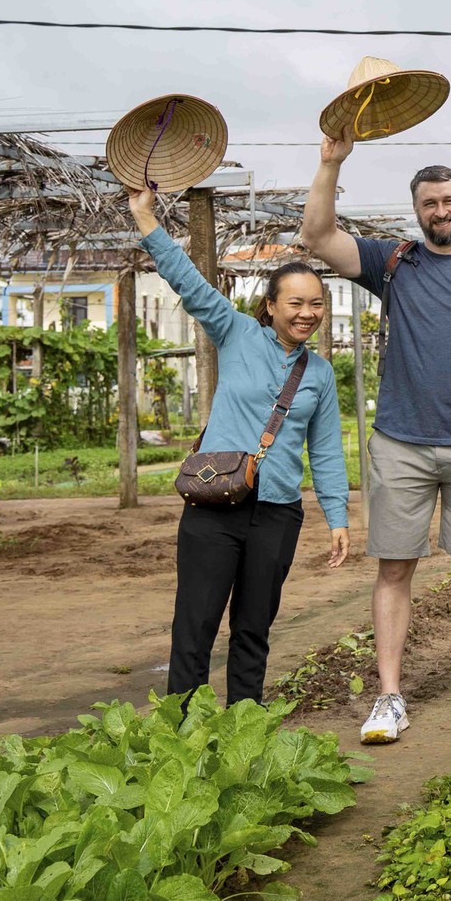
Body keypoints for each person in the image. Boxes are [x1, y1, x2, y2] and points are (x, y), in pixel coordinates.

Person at [299, 132, 451, 746]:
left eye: (450, 200)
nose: (441, 211)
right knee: (393, 570)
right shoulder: (394, 264)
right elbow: (317, 237)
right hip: (401, 445)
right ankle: (389, 698)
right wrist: (331, 161)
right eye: (430, 203)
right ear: (417, 210)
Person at [128, 186, 350, 705]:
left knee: (254, 630)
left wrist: (337, 517)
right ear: (270, 306)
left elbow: (325, 451)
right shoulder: (236, 334)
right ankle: (182, 734)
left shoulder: (319, 373)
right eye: (295, 302)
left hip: (277, 514)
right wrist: (146, 219)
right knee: (195, 627)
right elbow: (188, 281)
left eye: (317, 304)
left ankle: (244, 734)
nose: (307, 313)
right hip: (213, 504)